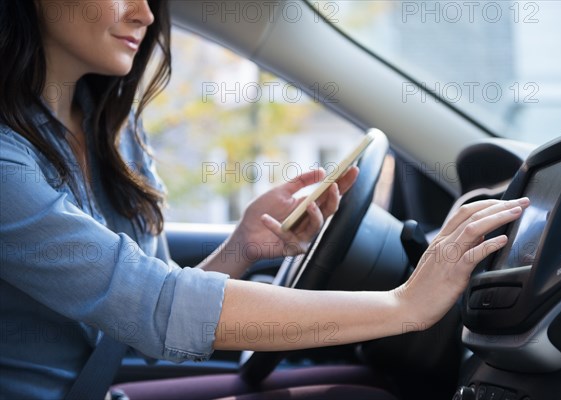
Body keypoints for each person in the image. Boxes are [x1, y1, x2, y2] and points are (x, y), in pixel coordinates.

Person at [0, 1, 530, 399]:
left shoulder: (112, 130)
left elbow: (132, 314)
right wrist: (406, 305)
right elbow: (155, 310)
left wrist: (244, 247)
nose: (143, 12)